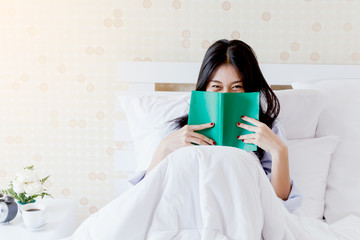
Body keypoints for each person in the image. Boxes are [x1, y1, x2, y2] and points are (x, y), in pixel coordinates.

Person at [131, 39, 301, 212]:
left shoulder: (269, 130)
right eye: (216, 87)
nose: (226, 96)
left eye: (236, 87)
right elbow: (144, 196)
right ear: (205, 88)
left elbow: (281, 207)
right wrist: (164, 147)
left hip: (244, 210)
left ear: (249, 89)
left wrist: (280, 151)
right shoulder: (179, 130)